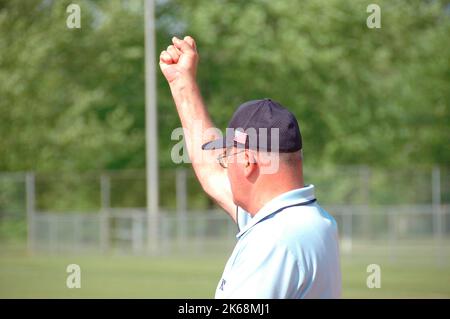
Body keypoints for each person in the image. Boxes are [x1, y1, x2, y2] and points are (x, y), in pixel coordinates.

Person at [159, 35, 341, 298]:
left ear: (247, 162)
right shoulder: (310, 219)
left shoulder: (275, 241)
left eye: (227, 158)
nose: (223, 167)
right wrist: (181, 83)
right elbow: (211, 171)